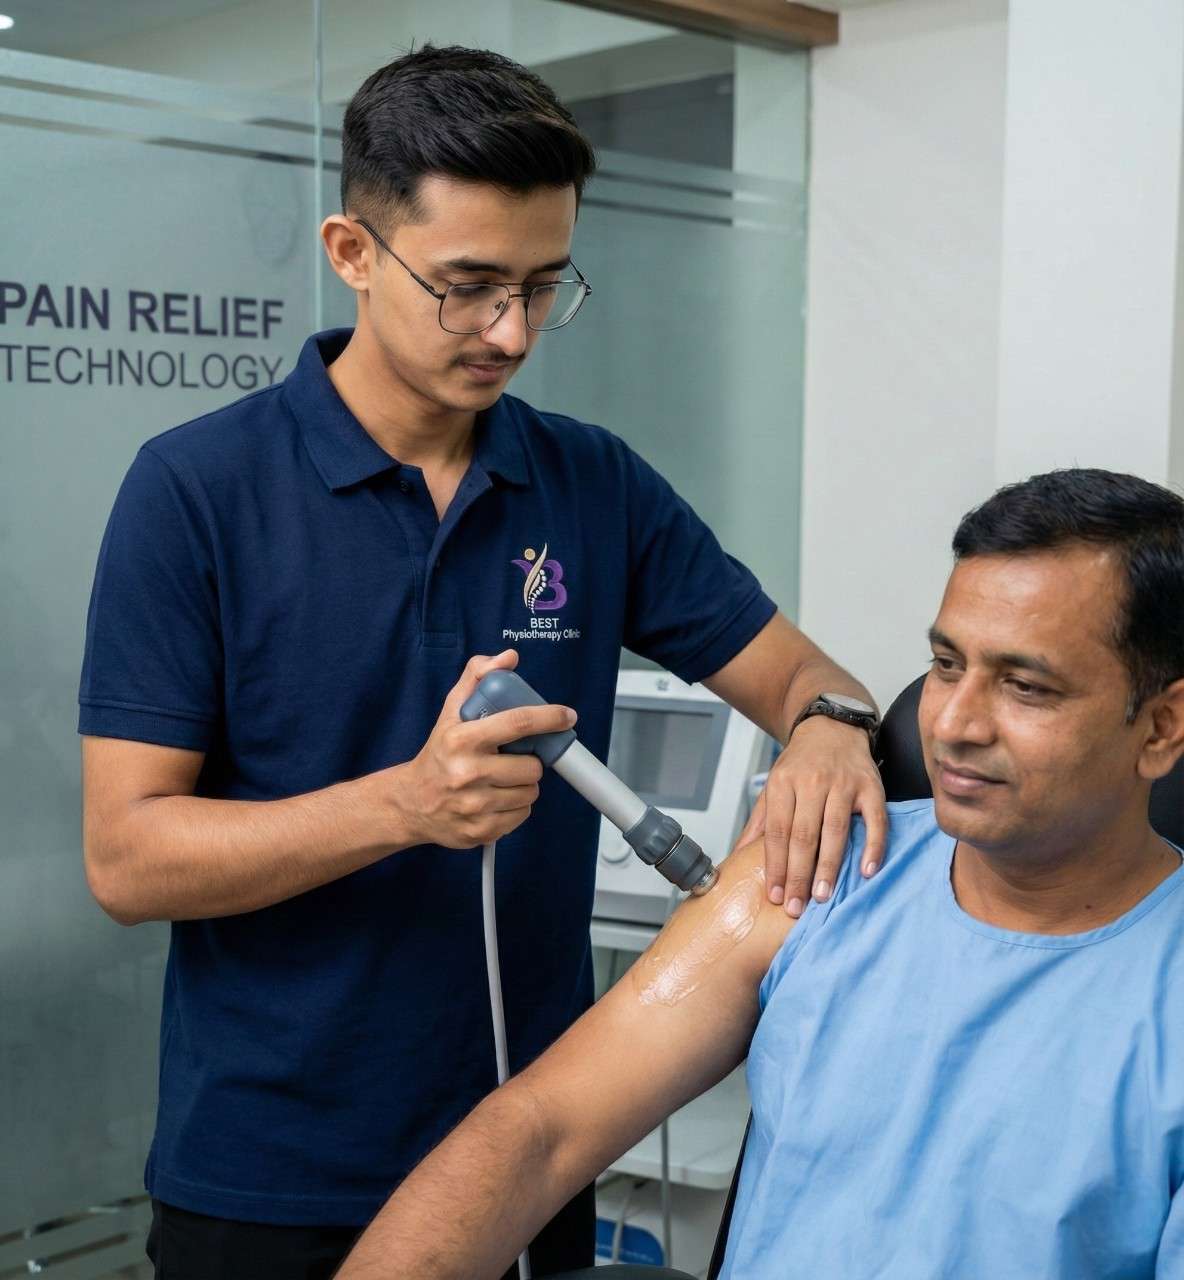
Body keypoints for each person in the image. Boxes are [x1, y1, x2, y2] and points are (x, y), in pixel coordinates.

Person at [77, 44, 886, 1280]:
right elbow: (128, 858)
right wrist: (407, 803)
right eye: (466, 287)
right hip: (272, 1170)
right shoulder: (196, 491)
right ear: (353, 251)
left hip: (528, 1146)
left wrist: (830, 724)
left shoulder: (590, 481)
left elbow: (799, 674)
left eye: (543, 284)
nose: (509, 331)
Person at [337, 468, 1184, 1280]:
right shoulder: (820, 875)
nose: (954, 725)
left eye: (1026, 687)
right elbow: (539, 1130)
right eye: (947, 665)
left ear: (1161, 728)